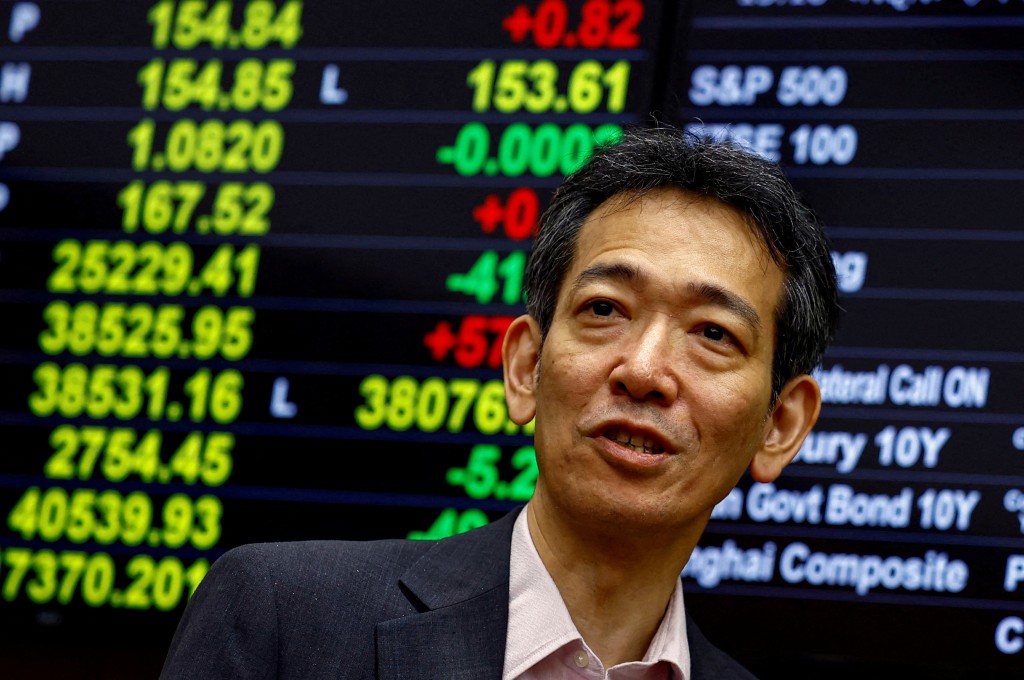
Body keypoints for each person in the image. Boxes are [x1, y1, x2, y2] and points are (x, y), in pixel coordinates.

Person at [160, 126, 840, 679]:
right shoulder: (287, 618)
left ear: (780, 426)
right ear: (525, 368)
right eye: (605, 309)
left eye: (714, 334)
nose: (643, 370)